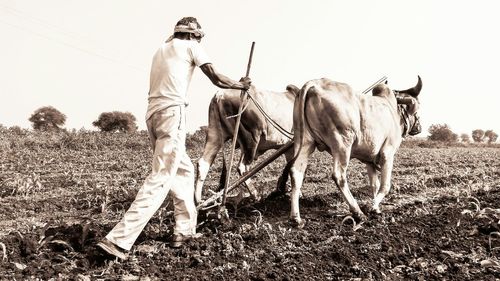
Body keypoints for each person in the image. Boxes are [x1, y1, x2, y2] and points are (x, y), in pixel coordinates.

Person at [97, 16, 251, 260]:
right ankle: (118, 240)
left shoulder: (161, 49)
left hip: (153, 114)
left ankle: (184, 230)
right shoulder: (191, 46)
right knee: (161, 177)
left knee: (184, 171)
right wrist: (240, 85)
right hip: (172, 112)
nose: (199, 41)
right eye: (198, 37)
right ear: (192, 34)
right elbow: (216, 78)